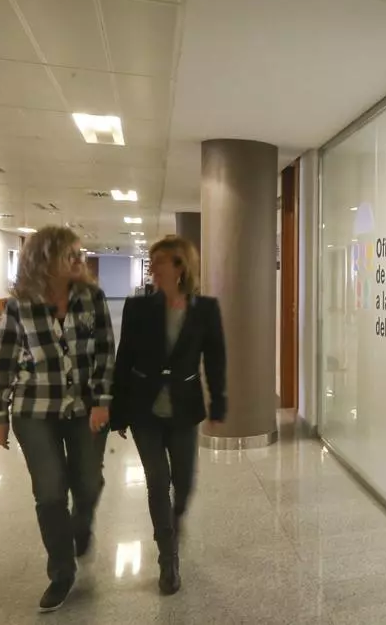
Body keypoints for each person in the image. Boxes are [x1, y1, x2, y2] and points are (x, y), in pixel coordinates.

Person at [0, 227, 114, 612]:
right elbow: (5, 362)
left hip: (85, 407)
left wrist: (102, 401)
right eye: (70, 254)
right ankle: (61, 572)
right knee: (49, 491)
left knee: (87, 482)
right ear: (45, 259)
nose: (79, 260)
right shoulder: (19, 306)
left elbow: (105, 353)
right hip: (34, 410)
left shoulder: (92, 298)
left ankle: (81, 524)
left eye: (79, 253)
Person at [111, 235, 226, 595]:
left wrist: (219, 402)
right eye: (152, 262)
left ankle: (174, 522)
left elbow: (215, 358)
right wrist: (117, 410)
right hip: (144, 408)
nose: (153, 268)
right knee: (158, 481)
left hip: (184, 407)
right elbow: (124, 359)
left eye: (159, 262)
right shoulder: (137, 307)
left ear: (180, 267)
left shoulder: (205, 309)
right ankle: (168, 556)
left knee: (184, 482)